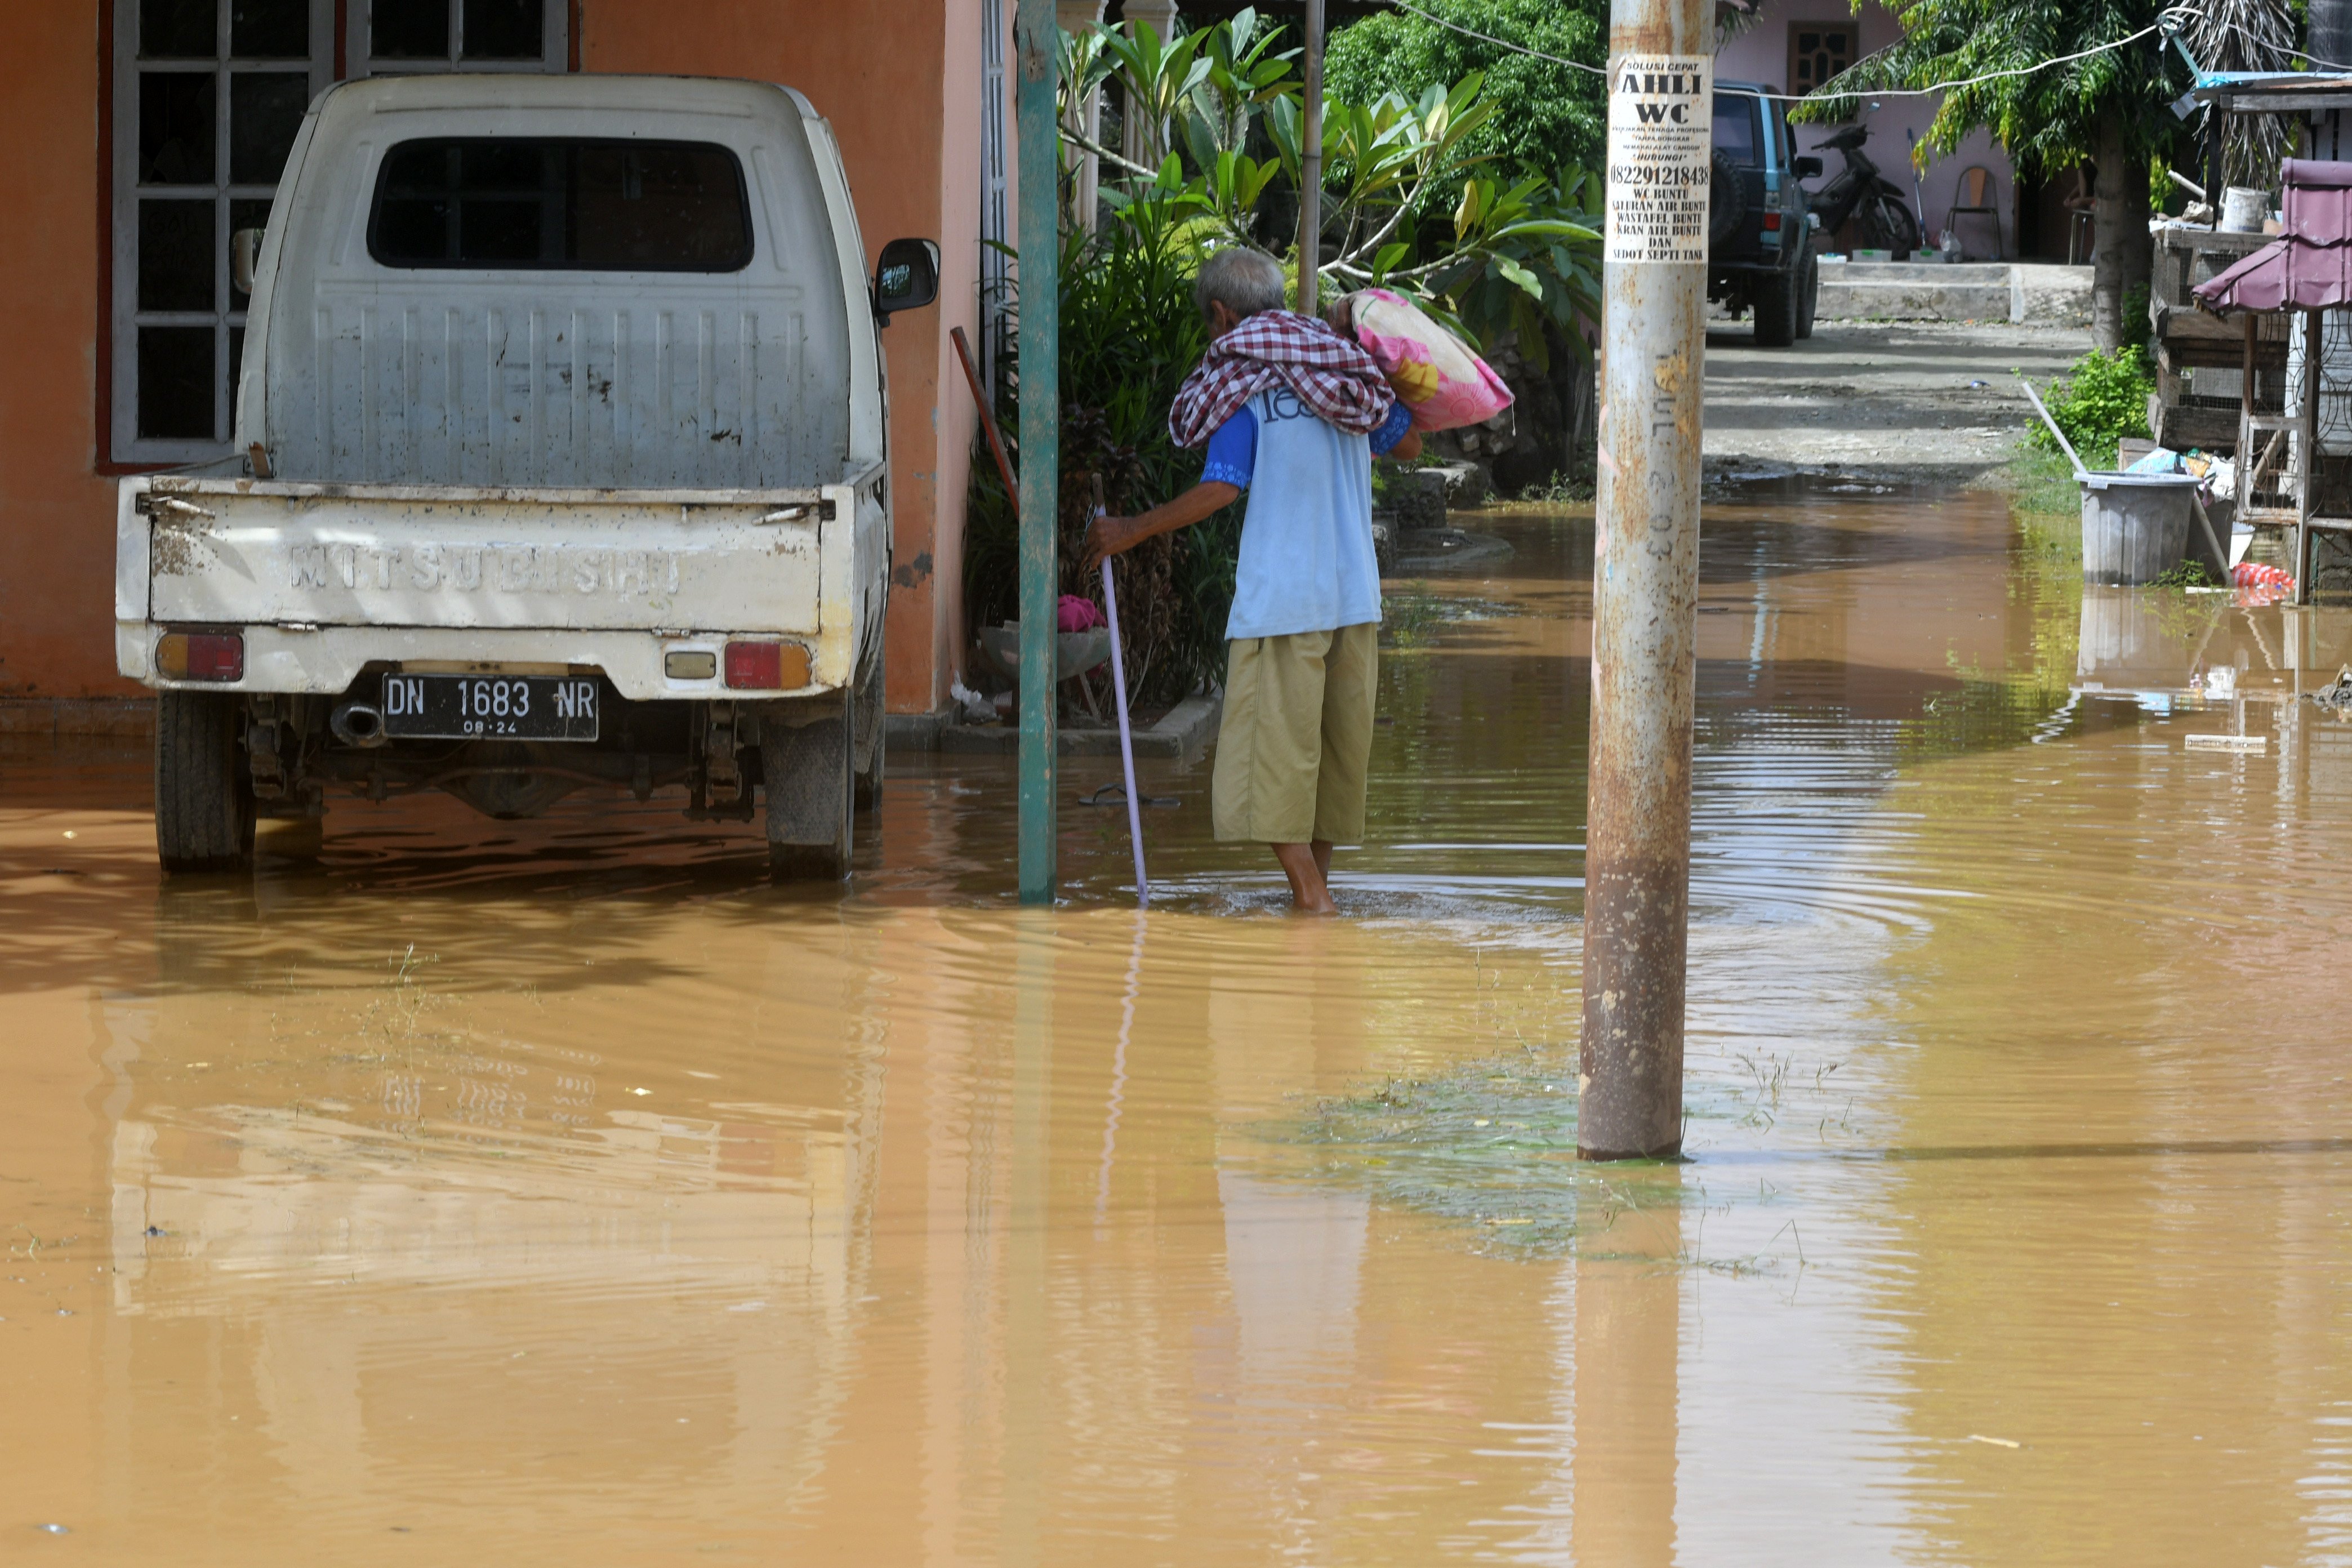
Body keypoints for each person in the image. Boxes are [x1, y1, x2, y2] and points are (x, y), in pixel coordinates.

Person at [1082, 247, 1421, 915]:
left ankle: (1313, 901)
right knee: (1329, 766)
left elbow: (1221, 488)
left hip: (1283, 605)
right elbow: (1409, 445)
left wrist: (1130, 530)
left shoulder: (1243, 382)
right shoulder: (1342, 369)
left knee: (1270, 765)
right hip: (1355, 600)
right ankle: (1314, 901)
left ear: (1221, 315)